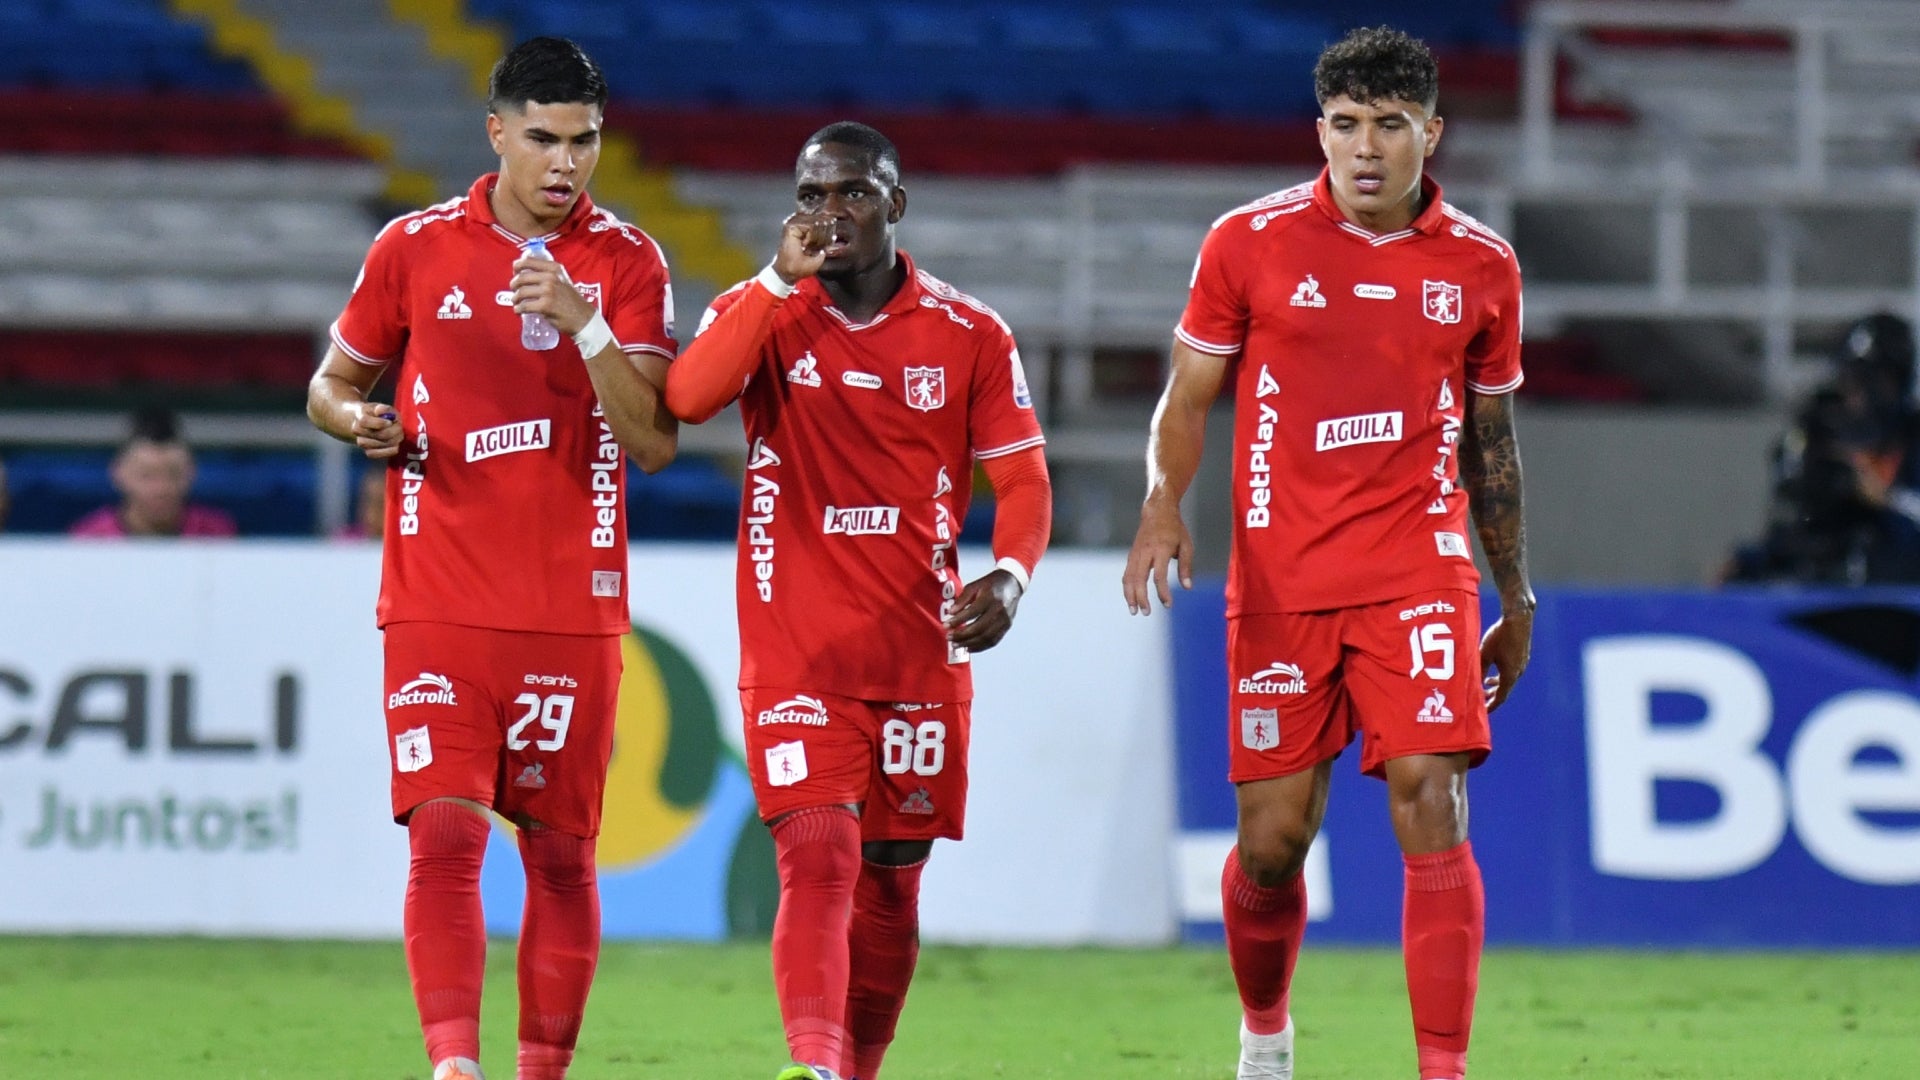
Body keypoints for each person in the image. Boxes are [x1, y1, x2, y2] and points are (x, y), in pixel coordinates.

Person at [1121, 27, 1532, 1080]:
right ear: (1320, 130)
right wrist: (1163, 502)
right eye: (1346, 124)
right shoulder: (1247, 242)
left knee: (1430, 794)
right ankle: (1266, 1032)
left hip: (1419, 567)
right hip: (1283, 580)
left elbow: (1491, 439)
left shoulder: (1482, 266)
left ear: (1430, 134)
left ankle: (1443, 1069)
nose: (1365, 148)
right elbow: (1188, 392)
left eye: (1390, 126)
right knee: (1271, 844)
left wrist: (1514, 587)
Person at [304, 37, 678, 1080]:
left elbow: (652, 442)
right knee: (443, 835)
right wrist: (357, 422)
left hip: (572, 611)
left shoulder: (630, 263)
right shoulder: (414, 248)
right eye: (545, 140)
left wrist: (587, 325)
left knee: (560, 858)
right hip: (437, 601)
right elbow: (330, 386)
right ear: (497, 134)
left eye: (587, 142)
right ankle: (454, 1067)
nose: (566, 163)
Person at [664, 121, 1052, 1080]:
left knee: (890, 891)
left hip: (919, 650)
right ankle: (815, 1064)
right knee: (820, 856)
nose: (829, 215)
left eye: (852, 195)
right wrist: (769, 282)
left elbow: (1026, 482)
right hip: (796, 651)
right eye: (811, 196)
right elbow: (686, 397)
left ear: (895, 205)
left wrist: (1009, 575)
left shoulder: (970, 334)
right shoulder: (762, 312)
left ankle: (854, 1068)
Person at [1725, 312, 1920, 584]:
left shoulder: (1912, 442)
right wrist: (1748, 562)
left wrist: (1886, 500)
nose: (1862, 397)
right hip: (1827, 594)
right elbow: (1793, 532)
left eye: (1878, 382)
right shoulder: (1821, 436)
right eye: (1855, 383)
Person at [68, 406, 238, 538]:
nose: (161, 488)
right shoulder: (90, 540)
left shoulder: (216, 535)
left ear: (191, 472)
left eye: (173, 474)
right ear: (118, 473)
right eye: (146, 476)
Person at [331, 465, 388, 541]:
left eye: (380, 506)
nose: (371, 515)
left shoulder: (404, 544)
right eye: (367, 502)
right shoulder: (345, 542)